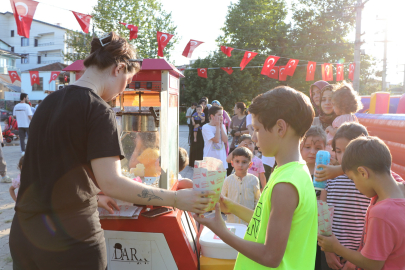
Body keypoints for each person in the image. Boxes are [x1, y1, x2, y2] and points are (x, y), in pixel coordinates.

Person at [9, 32, 213, 270]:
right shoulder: (97, 109)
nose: (122, 90)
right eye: (127, 81)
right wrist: (176, 198)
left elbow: (53, 172)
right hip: (70, 239)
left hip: (25, 231)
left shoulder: (47, 103)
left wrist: (93, 194)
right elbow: (112, 183)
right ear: (118, 68)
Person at [195, 86, 317, 269]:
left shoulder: (285, 185)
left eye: (257, 129)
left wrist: (221, 231)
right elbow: (266, 221)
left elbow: (270, 257)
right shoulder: (290, 171)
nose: (253, 137)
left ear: (280, 128)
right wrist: (232, 206)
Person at [318, 136, 405, 270]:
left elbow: (373, 264)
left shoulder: (381, 214)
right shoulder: (398, 188)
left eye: (353, 179)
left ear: (363, 173)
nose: (356, 186)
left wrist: (336, 247)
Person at [318, 123, 371, 270]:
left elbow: (372, 225)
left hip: (359, 255)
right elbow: (322, 214)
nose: (342, 157)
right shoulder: (330, 177)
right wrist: (327, 251)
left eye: (347, 151)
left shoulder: (369, 179)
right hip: (330, 252)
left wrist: (356, 258)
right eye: (338, 151)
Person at [300, 126, 327, 270]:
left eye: (317, 148)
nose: (312, 152)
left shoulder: (326, 174)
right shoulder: (296, 171)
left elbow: (323, 205)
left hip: (317, 231)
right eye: (307, 147)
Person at [221, 147, 261, 225]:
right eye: (237, 161)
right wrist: (225, 210)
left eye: (244, 162)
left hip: (248, 223)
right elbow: (222, 199)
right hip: (232, 221)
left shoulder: (254, 180)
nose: (240, 165)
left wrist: (255, 216)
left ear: (250, 164)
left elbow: (257, 200)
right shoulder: (228, 180)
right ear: (232, 163)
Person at [228, 102, 249, 175]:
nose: (233, 109)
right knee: (229, 164)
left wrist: (240, 133)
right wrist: (232, 132)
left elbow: (250, 130)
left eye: (235, 107)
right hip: (234, 144)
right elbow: (229, 128)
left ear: (239, 109)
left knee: (241, 164)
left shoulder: (247, 118)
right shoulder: (234, 118)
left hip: (244, 144)